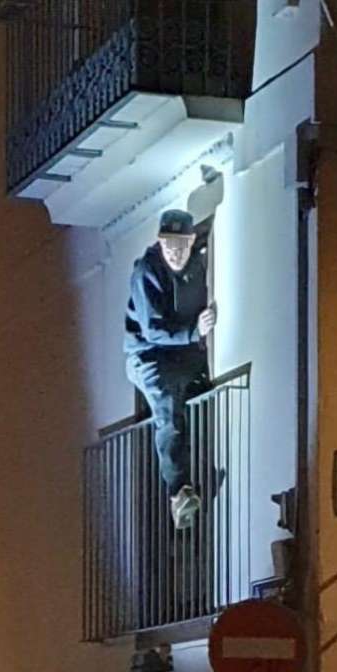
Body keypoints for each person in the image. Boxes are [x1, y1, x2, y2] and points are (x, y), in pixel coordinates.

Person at [125, 208, 217, 531]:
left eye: (180, 245)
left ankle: (203, 468)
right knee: (166, 405)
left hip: (183, 353)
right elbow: (152, 330)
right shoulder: (146, 271)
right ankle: (179, 492)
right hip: (147, 356)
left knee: (201, 389)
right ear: (159, 243)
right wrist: (195, 332)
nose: (174, 253)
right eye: (168, 245)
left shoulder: (198, 266)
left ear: (191, 242)